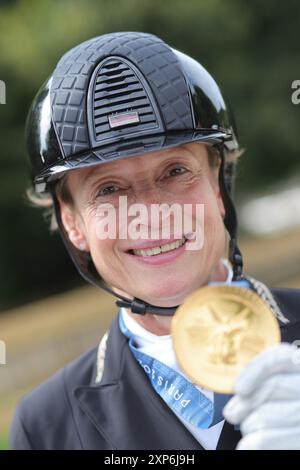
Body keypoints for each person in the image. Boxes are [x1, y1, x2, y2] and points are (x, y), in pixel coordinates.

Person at [10, 31, 300, 450]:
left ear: (218, 188)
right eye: (108, 189)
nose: (149, 214)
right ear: (73, 223)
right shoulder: (46, 429)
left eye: (175, 172)